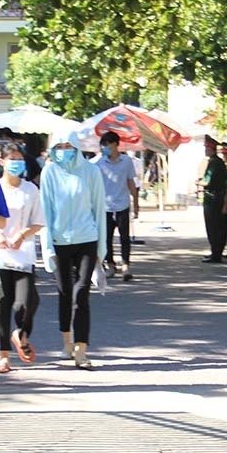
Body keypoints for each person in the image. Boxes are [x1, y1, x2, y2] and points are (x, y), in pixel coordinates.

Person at [41, 127, 106, 369]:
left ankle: (82, 350)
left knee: (82, 293)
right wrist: (47, 248)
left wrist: (102, 250)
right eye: (59, 148)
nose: (64, 152)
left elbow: (99, 209)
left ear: (77, 148)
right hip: (59, 241)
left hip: (87, 238)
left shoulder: (91, 172)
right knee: (65, 292)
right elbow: (45, 211)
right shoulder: (49, 172)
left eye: (68, 147)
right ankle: (66, 342)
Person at [0, 142, 45, 373]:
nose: (16, 163)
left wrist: (23, 234)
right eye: (11, 159)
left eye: (20, 159)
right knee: (1, 306)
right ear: (2, 161)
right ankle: (3, 357)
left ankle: (21, 334)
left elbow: (38, 221)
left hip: (23, 255)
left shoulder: (30, 189)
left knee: (26, 301)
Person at [95, 131, 138, 281]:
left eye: (107, 144)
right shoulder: (99, 164)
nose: (104, 148)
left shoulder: (126, 161)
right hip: (105, 206)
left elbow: (131, 182)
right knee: (106, 238)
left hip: (122, 204)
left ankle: (126, 265)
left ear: (115, 144)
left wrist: (136, 203)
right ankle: (111, 265)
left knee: (125, 238)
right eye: (103, 145)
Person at [199, 136, 227, 263]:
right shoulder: (220, 162)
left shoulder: (213, 162)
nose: (205, 150)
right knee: (218, 226)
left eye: (206, 148)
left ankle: (215, 253)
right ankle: (217, 252)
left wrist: (199, 182)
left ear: (211, 149)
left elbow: (207, 181)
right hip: (219, 196)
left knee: (212, 227)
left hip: (212, 198)